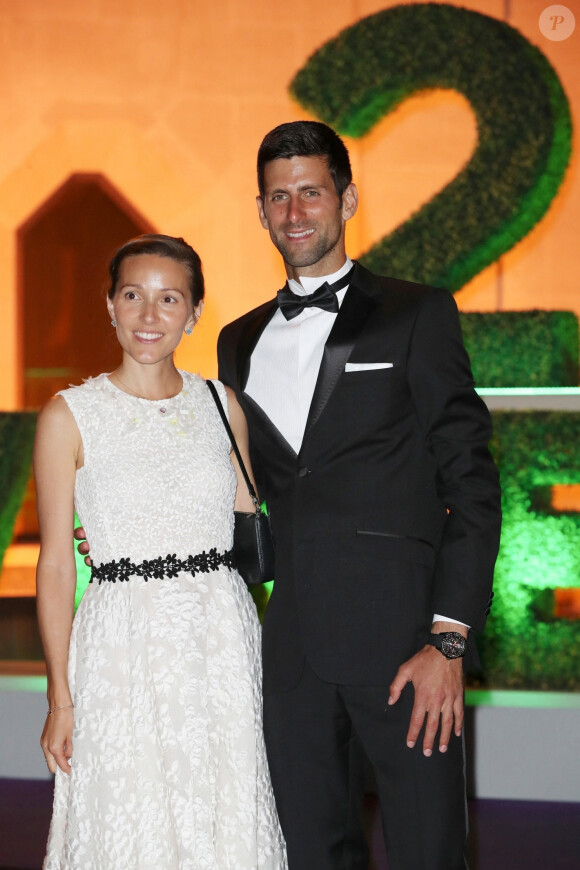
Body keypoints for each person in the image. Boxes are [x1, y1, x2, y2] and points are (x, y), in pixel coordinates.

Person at [217, 121, 502, 870]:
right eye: (279, 196)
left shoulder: (417, 314)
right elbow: (244, 488)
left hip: (405, 647)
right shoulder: (236, 341)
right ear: (260, 211)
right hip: (293, 655)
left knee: (426, 849)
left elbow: (471, 481)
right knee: (311, 851)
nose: (295, 212)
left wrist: (449, 639)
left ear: (346, 200)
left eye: (311, 192)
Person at [34, 234, 287, 869]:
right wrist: (59, 698)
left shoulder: (222, 405)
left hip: (220, 640)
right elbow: (58, 564)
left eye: (168, 298)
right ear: (110, 306)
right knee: (127, 812)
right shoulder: (69, 415)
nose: (150, 316)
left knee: (223, 811)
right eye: (133, 296)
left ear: (194, 312)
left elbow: (248, 523)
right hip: (119, 641)